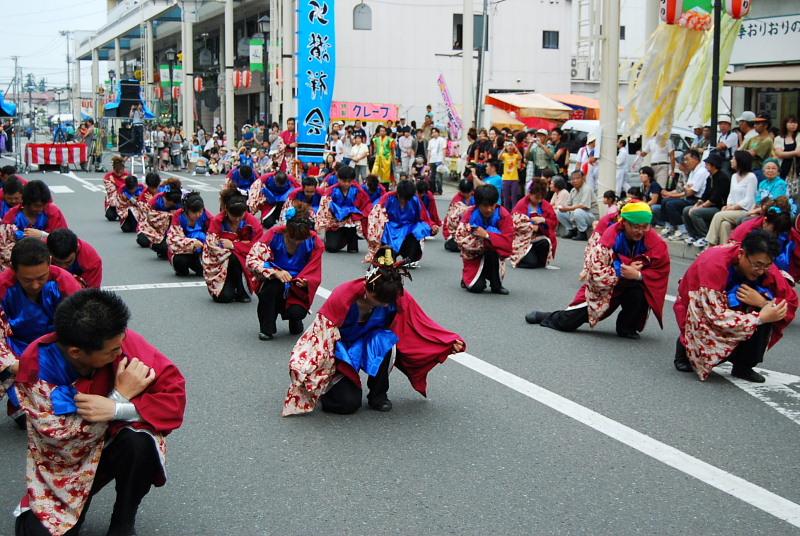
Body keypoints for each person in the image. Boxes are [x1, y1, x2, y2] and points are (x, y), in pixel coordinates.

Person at [13, 289, 186, 536]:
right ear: (76, 352)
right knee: (33, 532)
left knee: (141, 442)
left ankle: (123, 521)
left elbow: (174, 396)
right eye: (112, 352)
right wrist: (119, 395)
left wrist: (116, 407)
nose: (120, 352)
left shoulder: (119, 340)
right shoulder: (37, 367)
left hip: (110, 446)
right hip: (64, 466)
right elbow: (59, 439)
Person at [282, 246, 465, 416]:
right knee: (347, 405)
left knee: (387, 342)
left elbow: (420, 324)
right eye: (380, 300)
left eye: (388, 301)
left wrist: (448, 342)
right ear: (368, 287)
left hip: (369, 342)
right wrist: (309, 373)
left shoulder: (395, 296)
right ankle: (329, 389)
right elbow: (318, 340)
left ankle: (378, 394)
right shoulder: (342, 296)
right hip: (338, 352)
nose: (385, 305)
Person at [526, 202, 670, 339]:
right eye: (636, 227)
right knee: (568, 322)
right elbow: (595, 270)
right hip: (606, 286)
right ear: (624, 222)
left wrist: (638, 275)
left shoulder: (655, 242)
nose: (640, 231)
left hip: (633, 283)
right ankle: (546, 316)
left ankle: (627, 327)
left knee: (640, 291)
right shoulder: (609, 236)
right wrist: (621, 271)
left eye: (644, 227)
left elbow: (660, 271)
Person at [673, 230, 797, 382]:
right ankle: (685, 349)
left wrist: (763, 303)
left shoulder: (766, 267)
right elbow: (713, 316)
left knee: (769, 310)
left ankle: (744, 365)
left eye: (766, 266)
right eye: (757, 265)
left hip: (736, 312)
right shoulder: (713, 263)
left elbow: (789, 301)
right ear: (742, 253)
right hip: (701, 308)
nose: (760, 271)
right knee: (762, 315)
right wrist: (759, 318)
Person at [246, 210, 324, 340]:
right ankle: (267, 328)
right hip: (274, 278)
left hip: (297, 285)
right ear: (287, 230)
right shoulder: (274, 234)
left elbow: (314, 270)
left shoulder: (314, 241)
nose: (297, 242)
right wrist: (275, 272)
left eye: (301, 239)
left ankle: (295, 319)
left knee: (296, 312)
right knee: (270, 290)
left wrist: (306, 281)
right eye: (293, 238)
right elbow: (252, 259)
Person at [202, 189, 263, 303]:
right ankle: (231, 286)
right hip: (221, 266)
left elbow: (258, 248)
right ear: (226, 210)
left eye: (240, 215)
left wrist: (234, 245)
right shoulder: (217, 221)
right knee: (223, 298)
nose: (237, 219)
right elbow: (211, 246)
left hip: (243, 264)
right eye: (233, 216)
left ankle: (241, 289)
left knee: (234, 255)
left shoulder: (253, 223)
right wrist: (242, 244)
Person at [455, 184, 514, 295]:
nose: (489, 209)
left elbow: (508, 242)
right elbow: (460, 238)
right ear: (478, 204)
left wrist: (487, 235)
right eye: (485, 206)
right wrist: (479, 241)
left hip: (494, 253)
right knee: (477, 287)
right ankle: (467, 278)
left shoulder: (504, 215)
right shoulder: (470, 214)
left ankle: (496, 284)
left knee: (493, 250)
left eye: (492, 205)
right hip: (474, 255)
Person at [729, 197, 799, 284]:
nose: (776, 236)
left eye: (779, 233)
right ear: (765, 221)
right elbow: (733, 259)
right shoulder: (745, 231)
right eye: (774, 231)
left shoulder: (786, 232)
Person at [0, 181, 69, 269]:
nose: (40, 209)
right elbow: (2, 242)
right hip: (18, 261)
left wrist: (43, 236)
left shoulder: (53, 213)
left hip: (48, 261)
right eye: (36, 206)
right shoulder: (13, 215)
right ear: (26, 202)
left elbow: (64, 241)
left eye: (43, 205)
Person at [366, 180, 434, 266]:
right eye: (402, 198)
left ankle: (409, 257)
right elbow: (376, 216)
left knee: (419, 228)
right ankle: (386, 255)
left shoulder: (415, 200)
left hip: (408, 229)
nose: (404, 202)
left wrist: (432, 226)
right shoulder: (388, 198)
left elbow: (423, 216)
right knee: (385, 260)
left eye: (407, 199)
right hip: (390, 230)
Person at [705, 150, 758, 246]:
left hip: (745, 211)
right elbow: (731, 195)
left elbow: (749, 199)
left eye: (734, 158)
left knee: (718, 215)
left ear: (741, 161)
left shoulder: (751, 177)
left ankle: (710, 244)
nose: (731, 160)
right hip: (732, 210)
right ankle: (724, 249)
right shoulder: (733, 176)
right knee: (725, 224)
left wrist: (733, 208)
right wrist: (728, 205)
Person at [316, 166, 373, 253]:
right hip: (335, 221)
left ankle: (352, 240)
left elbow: (366, 205)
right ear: (338, 179)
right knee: (331, 248)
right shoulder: (331, 191)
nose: (346, 184)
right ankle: (337, 238)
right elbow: (324, 208)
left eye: (349, 181)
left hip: (351, 221)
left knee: (353, 250)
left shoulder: (358, 190)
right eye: (343, 181)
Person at [681, 152, 730, 248]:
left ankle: (704, 236)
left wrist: (701, 207)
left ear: (714, 165)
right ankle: (694, 235)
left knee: (695, 213)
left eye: (708, 164)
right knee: (686, 210)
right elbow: (705, 194)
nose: (706, 166)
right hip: (709, 204)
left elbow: (715, 198)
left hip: (718, 207)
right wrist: (699, 203)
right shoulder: (709, 177)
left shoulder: (722, 178)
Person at [659, 149, 709, 240]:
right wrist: (687, 189)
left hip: (697, 200)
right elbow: (686, 188)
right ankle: (669, 227)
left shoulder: (701, 171)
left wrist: (686, 189)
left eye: (687, 159)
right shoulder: (693, 171)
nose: (686, 162)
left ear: (695, 159)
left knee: (671, 204)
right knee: (665, 201)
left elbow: (690, 191)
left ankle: (683, 231)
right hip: (690, 197)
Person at [510, 178, 558, 269]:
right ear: (530, 193)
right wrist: (531, 227)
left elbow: (554, 222)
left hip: (539, 236)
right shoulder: (521, 204)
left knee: (545, 242)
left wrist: (543, 220)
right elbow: (515, 223)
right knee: (531, 263)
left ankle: (537, 259)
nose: (539, 200)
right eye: (536, 197)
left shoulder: (546, 206)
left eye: (541, 198)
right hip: (523, 239)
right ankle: (521, 258)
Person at [166, 192, 212, 277]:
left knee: (205, 272)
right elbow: (173, 239)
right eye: (194, 212)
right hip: (184, 251)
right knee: (180, 263)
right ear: (187, 210)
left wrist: (205, 242)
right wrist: (192, 242)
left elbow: (215, 233)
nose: (198, 215)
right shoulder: (179, 216)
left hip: (203, 250)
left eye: (200, 211)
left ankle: (200, 265)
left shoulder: (206, 215)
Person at [136, 179, 182, 258]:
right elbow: (146, 218)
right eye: (167, 202)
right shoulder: (156, 199)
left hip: (174, 231)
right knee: (143, 240)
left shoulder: (180, 201)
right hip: (156, 228)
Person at [557, 170, 596, 241]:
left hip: (591, 216)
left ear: (583, 178)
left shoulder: (587, 189)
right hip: (578, 214)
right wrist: (563, 207)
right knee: (559, 212)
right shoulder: (573, 190)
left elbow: (584, 206)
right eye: (572, 179)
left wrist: (568, 208)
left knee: (577, 211)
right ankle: (571, 230)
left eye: (577, 178)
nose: (574, 181)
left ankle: (582, 233)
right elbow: (568, 204)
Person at [444, 179, 475, 252]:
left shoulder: (476, 198)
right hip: (459, 230)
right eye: (464, 193)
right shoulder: (456, 200)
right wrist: (448, 234)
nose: (467, 195)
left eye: (468, 192)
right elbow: (450, 218)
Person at [742, 113, 775, 181]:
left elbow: (751, 154)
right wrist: (745, 152)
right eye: (755, 123)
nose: (754, 126)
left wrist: (746, 152)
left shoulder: (767, 140)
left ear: (765, 125)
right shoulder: (753, 138)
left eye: (757, 123)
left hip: (759, 171)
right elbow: (740, 151)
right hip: (749, 170)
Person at [775, 115, 799, 201]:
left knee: (795, 195)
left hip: (797, 169)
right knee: (783, 194)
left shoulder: (798, 136)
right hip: (784, 169)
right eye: (790, 122)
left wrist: (787, 153)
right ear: (785, 124)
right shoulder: (779, 138)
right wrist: (795, 153)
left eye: (795, 123)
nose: (793, 125)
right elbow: (779, 154)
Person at [499, 141, 522, 210]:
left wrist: (515, 148)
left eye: (511, 145)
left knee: (514, 198)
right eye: (509, 146)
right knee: (506, 198)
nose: (510, 147)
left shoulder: (515, 155)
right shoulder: (505, 155)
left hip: (514, 179)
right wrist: (504, 148)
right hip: (506, 179)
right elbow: (499, 157)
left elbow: (520, 157)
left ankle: (514, 213)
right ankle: (506, 212)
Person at [103, 156, 127, 221]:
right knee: (110, 216)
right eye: (117, 172)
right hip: (113, 201)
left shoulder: (128, 176)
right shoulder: (108, 176)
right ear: (113, 169)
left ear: (123, 168)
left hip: (125, 202)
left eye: (121, 171)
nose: (119, 174)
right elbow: (111, 191)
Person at [426, 128, 446, 194]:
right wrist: (428, 160)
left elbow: (444, 150)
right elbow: (429, 151)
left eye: (435, 132)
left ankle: (439, 190)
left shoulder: (442, 140)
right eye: (433, 132)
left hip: (439, 160)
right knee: (432, 177)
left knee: (438, 177)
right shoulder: (430, 141)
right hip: (432, 160)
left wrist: (443, 159)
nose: (434, 133)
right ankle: (433, 190)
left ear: (438, 132)